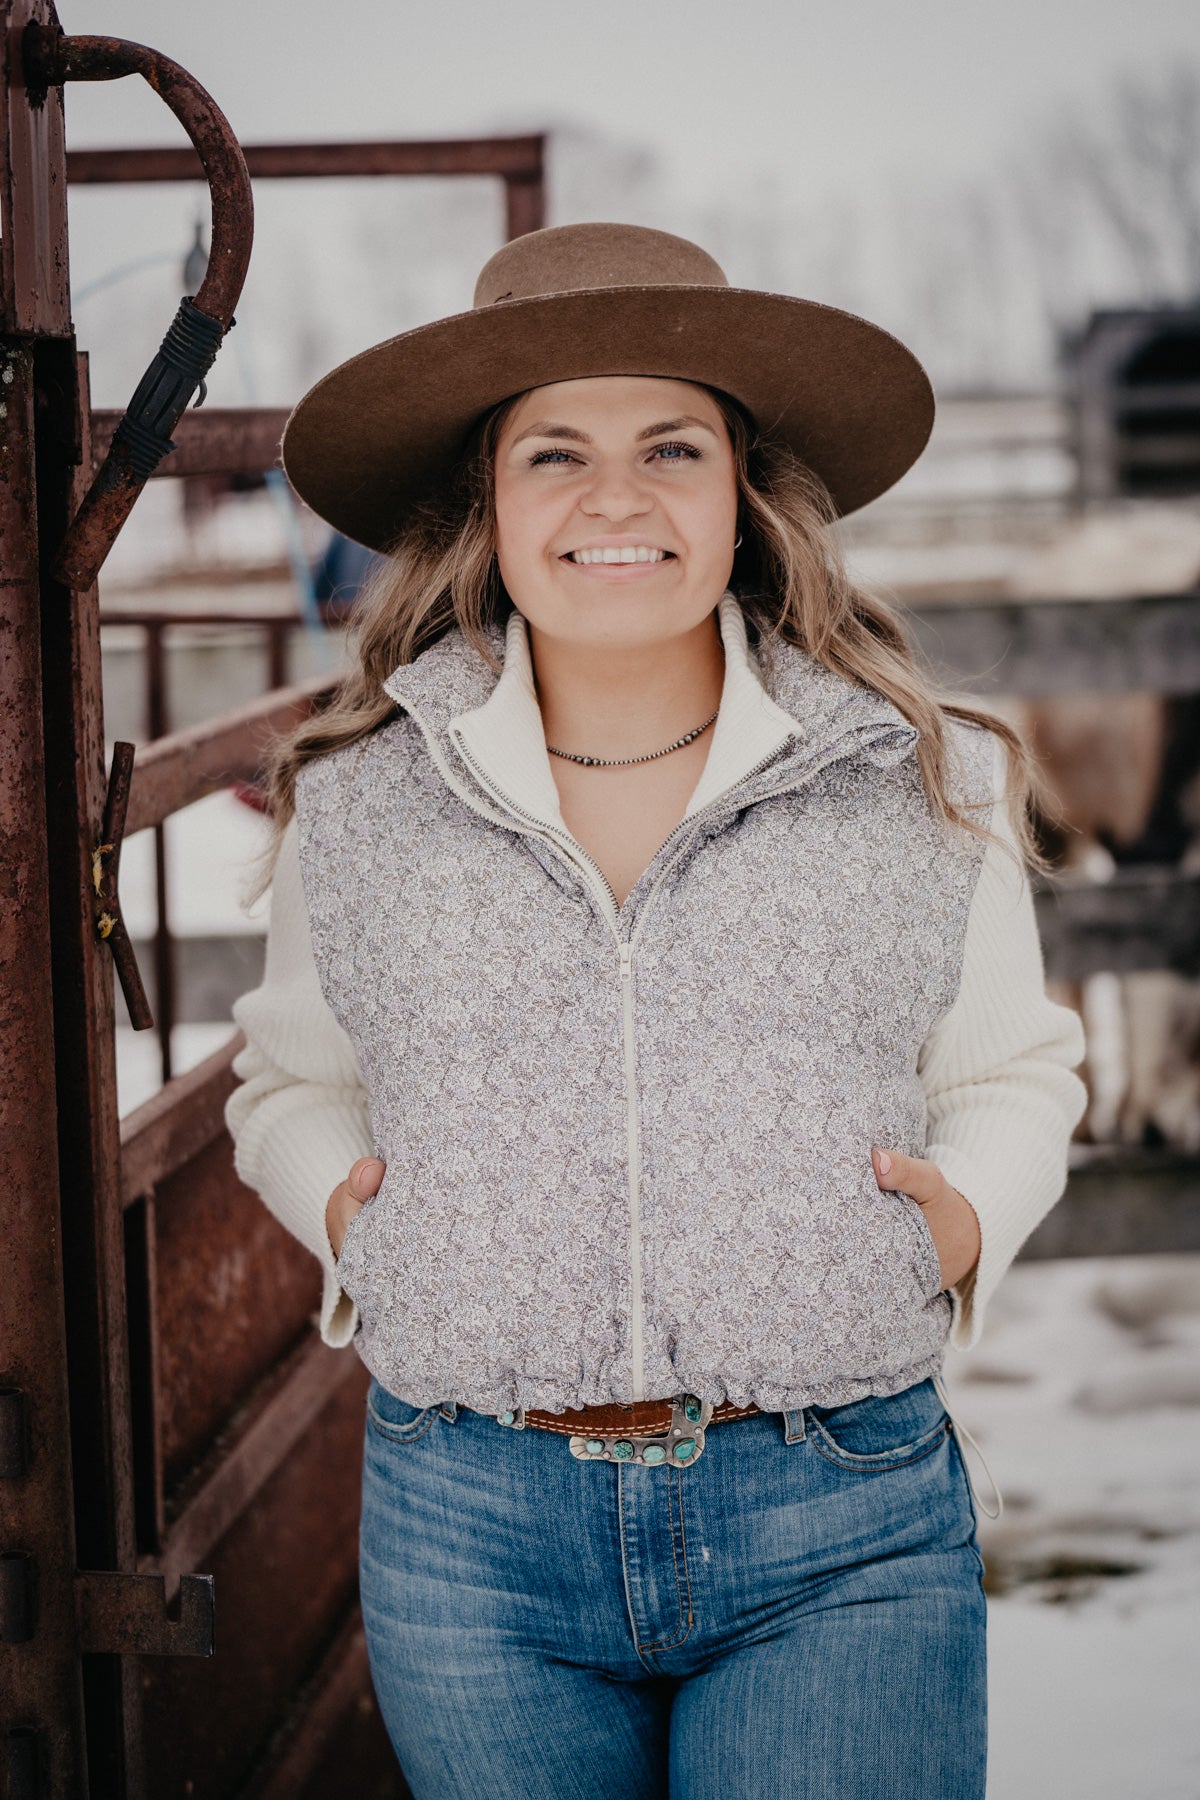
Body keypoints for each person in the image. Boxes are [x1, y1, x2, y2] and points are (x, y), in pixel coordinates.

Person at [224, 223, 1088, 1799]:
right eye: (556, 451)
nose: (615, 499)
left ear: (742, 493)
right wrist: (348, 1219)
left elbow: (1018, 1067)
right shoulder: (362, 805)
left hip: (838, 1510)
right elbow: (288, 1082)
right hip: (471, 1532)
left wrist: (960, 1226)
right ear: (486, 502)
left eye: (670, 446)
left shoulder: (924, 777)